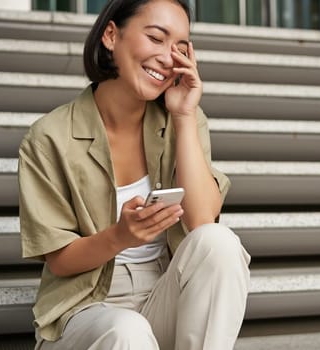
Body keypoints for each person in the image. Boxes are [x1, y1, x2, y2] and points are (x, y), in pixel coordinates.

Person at [17, 0, 251, 349]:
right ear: (111, 35)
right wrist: (121, 236)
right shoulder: (49, 137)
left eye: (180, 47)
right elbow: (60, 260)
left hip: (163, 293)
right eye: (156, 38)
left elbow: (203, 223)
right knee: (127, 330)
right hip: (85, 309)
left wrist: (184, 116)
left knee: (220, 244)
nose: (168, 56)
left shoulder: (183, 119)